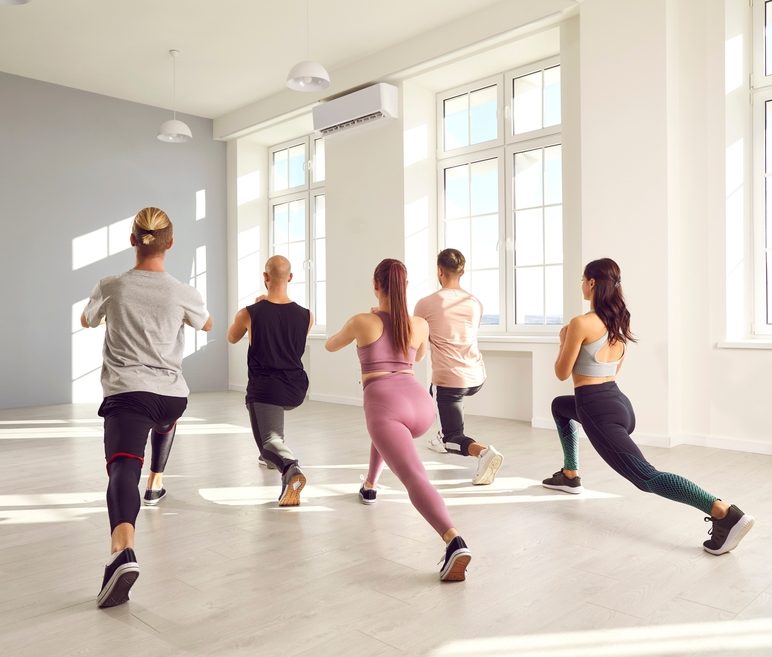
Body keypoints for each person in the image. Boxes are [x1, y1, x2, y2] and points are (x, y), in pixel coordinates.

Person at [543, 257, 754, 555]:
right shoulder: (619, 320)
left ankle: (724, 512)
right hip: (619, 404)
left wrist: (563, 339)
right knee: (560, 406)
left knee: (645, 477)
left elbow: (562, 373)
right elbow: (613, 369)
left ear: (591, 282)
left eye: (582, 280)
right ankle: (570, 474)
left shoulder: (580, 324)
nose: (581, 284)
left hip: (595, 409)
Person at [81, 207, 212, 608]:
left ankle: (122, 552)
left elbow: (87, 320)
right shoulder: (183, 292)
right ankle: (157, 480)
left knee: (123, 467)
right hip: (172, 398)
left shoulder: (111, 286)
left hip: (129, 395)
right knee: (163, 420)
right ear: (170, 243)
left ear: (132, 240)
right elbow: (207, 324)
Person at [326, 258, 472, 581]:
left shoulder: (362, 321)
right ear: (405, 286)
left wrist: (368, 321)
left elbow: (330, 344)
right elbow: (418, 355)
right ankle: (370, 486)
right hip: (420, 405)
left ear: (376, 285)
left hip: (385, 403)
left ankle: (454, 540)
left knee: (414, 476)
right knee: (386, 437)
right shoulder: (418, 324)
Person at [227, 255, 312, 506]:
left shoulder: (250, 313)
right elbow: (286, 337)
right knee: (271, 436)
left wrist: (255, 312)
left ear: (265, 277)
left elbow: (232, 337)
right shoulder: (307, 315)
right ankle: (272, 459)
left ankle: (290, 467)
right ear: (291, 277)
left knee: (268, 444)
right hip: (296, 388)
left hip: (266, 388)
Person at [414, 248, 503, 485]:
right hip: (477, 377)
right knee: (437, 397)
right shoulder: (475, 303)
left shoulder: (425, 304)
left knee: (451, 437)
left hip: (450, 382)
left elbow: (419, 345)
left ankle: (482, 452)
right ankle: (440, 435)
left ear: (439, 271)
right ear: (462, 271)